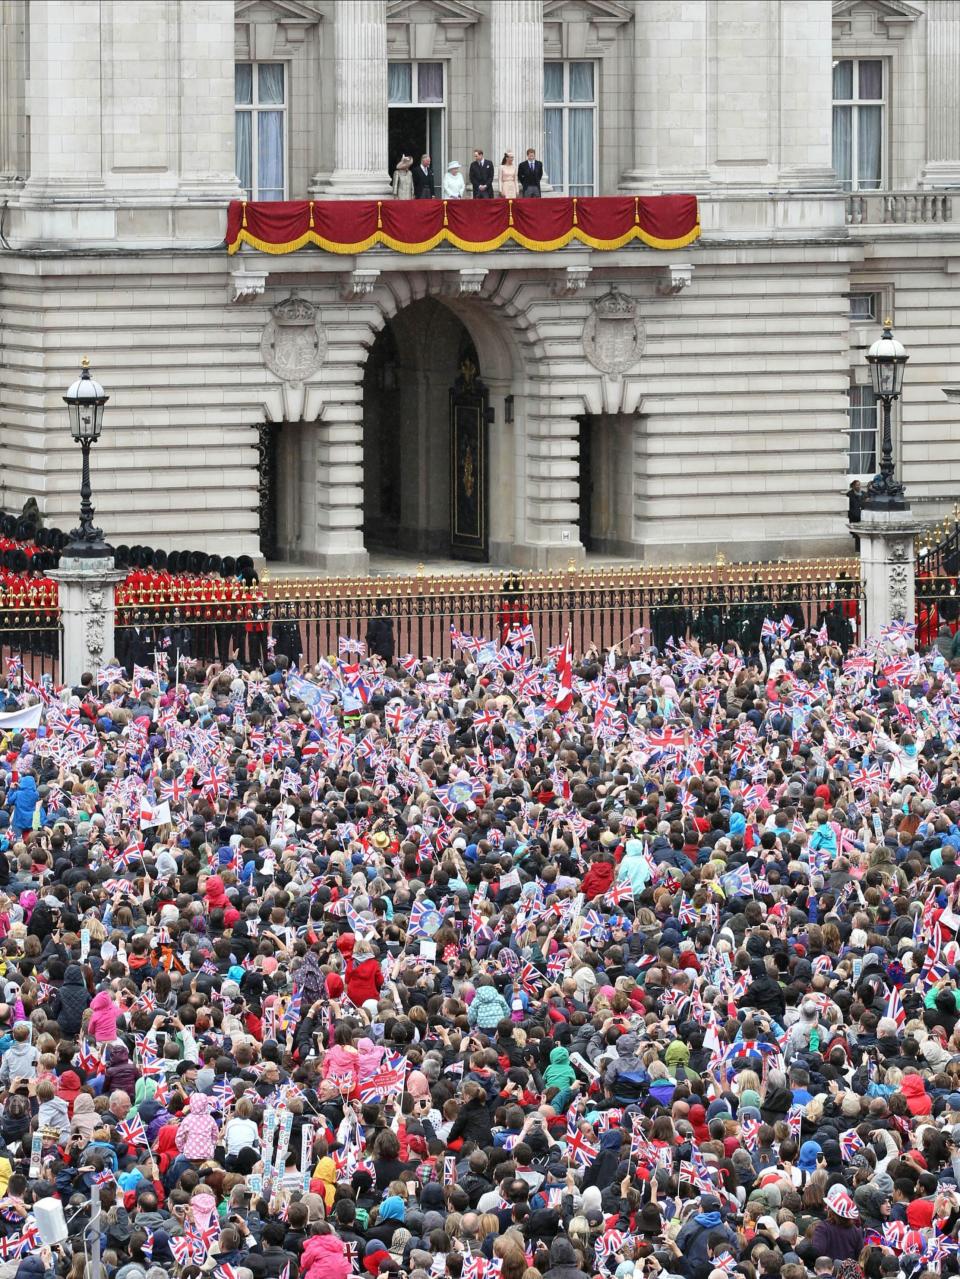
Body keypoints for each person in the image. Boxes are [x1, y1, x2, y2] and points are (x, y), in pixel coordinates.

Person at [847, 478, 863, 549]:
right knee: (855, 534)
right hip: (853, 518)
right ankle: (856, 548)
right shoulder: (849, 494)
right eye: (857, 485)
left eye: (859, 485)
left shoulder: (864, 494)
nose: (858, 486)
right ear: (853, 486)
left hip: (862, 517)